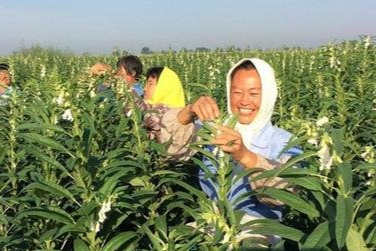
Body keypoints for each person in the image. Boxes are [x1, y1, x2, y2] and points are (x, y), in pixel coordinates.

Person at [160, 58, 302, 220]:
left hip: (258, 230)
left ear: (269, 95)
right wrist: (190, 111)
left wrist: (245, 155)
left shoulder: (286, 142)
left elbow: (284, 195)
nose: (244, 101)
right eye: (237, 92)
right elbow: (170, 151)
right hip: (212, 222)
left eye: (254, 93)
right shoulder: (215, 129)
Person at [126, 66, 185, 142]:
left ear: (164, 87)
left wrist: (130, 94)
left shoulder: (169, 111)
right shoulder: (152, 105)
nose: (145, 88)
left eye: (150, 84)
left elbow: (145, 117)